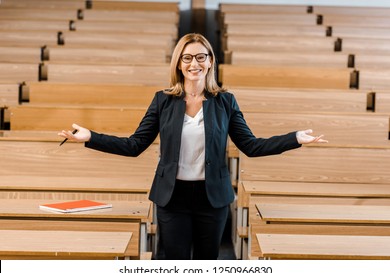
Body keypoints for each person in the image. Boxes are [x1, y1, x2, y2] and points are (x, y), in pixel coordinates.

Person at [58, 33, 328, 260]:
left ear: (210, 61)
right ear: (179, 63)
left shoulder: (225, 102)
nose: (194, 63)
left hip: (212, 198)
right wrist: (91, 136)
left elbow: (251, 145)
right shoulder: (162, 101)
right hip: (172, 197)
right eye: (187, 58)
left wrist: (294, 139)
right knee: (175, 264)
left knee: (207, 264)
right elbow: (135, 144)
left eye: (201, 57)